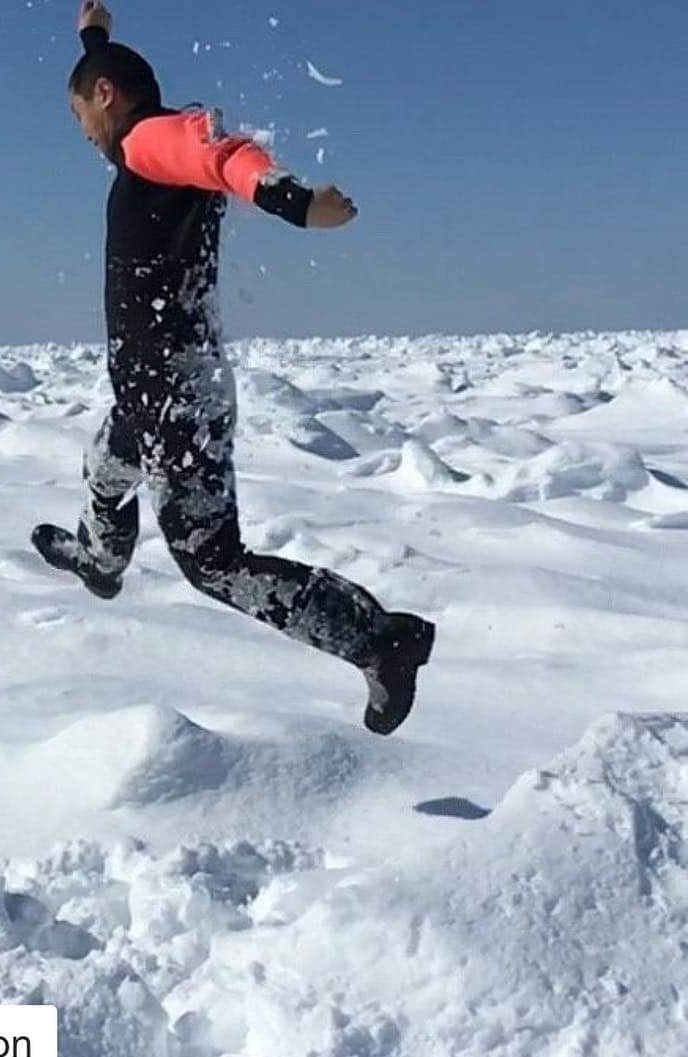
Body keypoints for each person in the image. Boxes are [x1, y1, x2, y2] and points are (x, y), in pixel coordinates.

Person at [32, 1, 435, 734]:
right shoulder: (147, 132)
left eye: (79, 115)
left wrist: (294, 202)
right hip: (152, 395)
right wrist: (95, 37)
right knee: (103, 472)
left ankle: (378, 642)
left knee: (213, 561)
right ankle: (100, 560)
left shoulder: (149, 139)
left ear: (105, 97)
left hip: (177, 397)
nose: (83, 135)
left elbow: (219, 154)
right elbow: (192, 141)